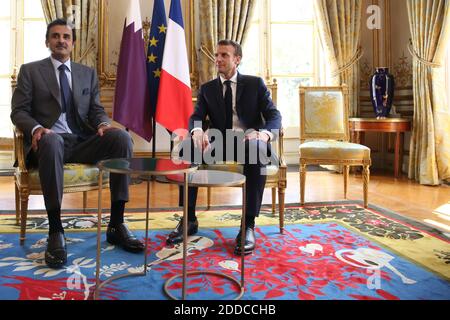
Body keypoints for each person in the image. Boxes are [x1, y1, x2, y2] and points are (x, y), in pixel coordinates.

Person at [10, 19, 144, 269]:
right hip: (48, 143)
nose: (61, 40)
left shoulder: (86, 73)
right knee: (51, 140)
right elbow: (18, 112)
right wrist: (38, 128)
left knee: (121, 138)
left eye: (66, 37)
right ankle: (56, 231)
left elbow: (95, 110)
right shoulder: (30, 71)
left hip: (81, 140)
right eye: (55, 36)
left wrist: (103, 123)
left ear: (73, 43)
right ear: (47, 41)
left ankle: (116, 223)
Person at [167, 39, 282, 255]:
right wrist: (197, 131)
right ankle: (189, 219)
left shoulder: (255, 84)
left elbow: (274, 115)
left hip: (249, 142)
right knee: (187, 147)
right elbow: (197, 116)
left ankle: (247, 225)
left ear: (237, 59)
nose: (218, 59)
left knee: (256, 149)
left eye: (224, 55)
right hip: (221, 143)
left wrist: (265, 134)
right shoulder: (208, 89)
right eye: (217, 55)